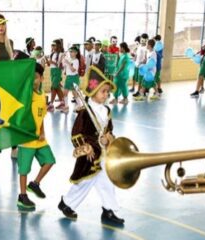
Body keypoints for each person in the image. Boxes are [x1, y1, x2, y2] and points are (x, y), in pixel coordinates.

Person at [57, 68, 124, 226]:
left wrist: (109, 138)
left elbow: (109, 130)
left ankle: (108, 211)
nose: (106, 95)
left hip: (104, 154)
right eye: (103, 91)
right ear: (93, 92)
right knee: (85, 182)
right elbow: (76, 133)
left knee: (107, 182)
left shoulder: (106, 111)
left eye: (107, 92)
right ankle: (67, 203)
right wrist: (86, 146)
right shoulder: (85, 112)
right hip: (91, 155)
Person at [17, 63, 55, 211]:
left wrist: (42, 131)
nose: (33, 80)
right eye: (30, 78)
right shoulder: (27, 95)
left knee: (50, 160)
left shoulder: (41, 96)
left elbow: (42, 116)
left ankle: (35, 183)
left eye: (36, 77)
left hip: (39, 138)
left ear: (41, 78)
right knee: (24, 170)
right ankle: (22, 195)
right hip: (26, 140)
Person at [47, 40, 67, 112]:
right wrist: (48, 61)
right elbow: (50, 64)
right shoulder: (52, 54)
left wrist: (52, 62)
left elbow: (61, 66)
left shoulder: (61, 54)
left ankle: (51, 104)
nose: (52, 46)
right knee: (57, 87)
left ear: (58, 46)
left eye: (54, 45)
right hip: (52, 71)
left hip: (57, 71)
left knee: (53, 87)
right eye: (52, 45)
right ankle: (62, 103)